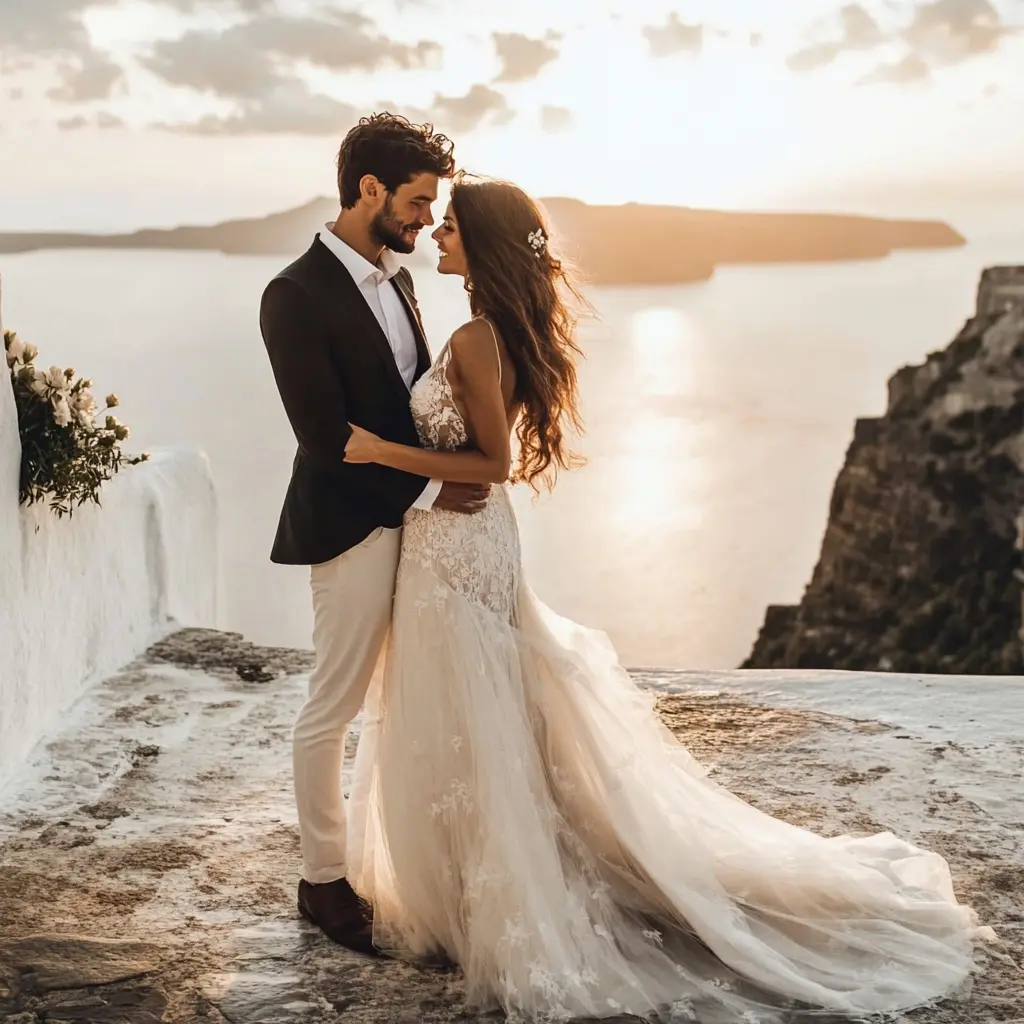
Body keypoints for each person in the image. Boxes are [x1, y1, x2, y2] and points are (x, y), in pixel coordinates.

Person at [341, 172, 995, 1023]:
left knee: (469, 710)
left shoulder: (476, 338)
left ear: (487, 245)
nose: (438, 235)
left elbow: (493, 467)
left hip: (459, 550)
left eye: (453, 226)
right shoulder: (497, 331)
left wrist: (381, 454)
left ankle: (486, 894)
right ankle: (475, 883)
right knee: (479, 714)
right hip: (470, 543)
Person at [260, 114, 490, 957]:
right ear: (370, 190)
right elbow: (327, 437)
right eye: (420, 202)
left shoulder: (397, 282)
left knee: (413, 697)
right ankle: (321, 880)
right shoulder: (292, 294)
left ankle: (408, 858)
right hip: (350, 525)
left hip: (419, 529)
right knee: (335, 705)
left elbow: (408, 405)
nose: (428, 220)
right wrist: (436, 483)